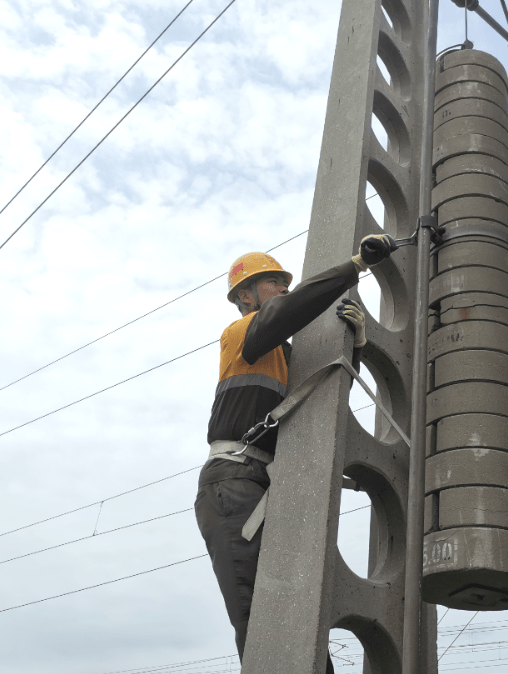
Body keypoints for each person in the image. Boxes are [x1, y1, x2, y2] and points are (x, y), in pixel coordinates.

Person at [194, 234, 397, 669]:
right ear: (246, 296)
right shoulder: (241, 335)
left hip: (267, 485)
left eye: (285, 282)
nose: (284, 288)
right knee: (261, 620)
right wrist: (355, 264)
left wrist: (355, 349)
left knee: (297, 618)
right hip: (233, 485)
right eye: (272, 283)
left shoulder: (285, 357)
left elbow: (320, 404)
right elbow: (292, 309)